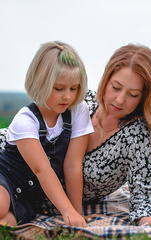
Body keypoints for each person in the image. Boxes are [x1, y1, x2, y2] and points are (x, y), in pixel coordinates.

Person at [0, 41, 94, 227]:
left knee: (10, 222)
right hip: (6, 178)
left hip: (30, 198)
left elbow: (73, 164)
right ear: (40, 83)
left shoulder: (78, 111)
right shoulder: (25, 120)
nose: (67, 96)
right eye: (59, 88)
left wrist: (76, 213)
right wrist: (66, 211)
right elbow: (41, 169)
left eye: (73, 88)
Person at [82, 43, 151, 227]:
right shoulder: (82, 102)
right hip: (15, 164)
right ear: (106, 79)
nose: (120, 100)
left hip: (32, 196)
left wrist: (146, 219)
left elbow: (146, 196)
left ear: (144, 97)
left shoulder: (137, 137)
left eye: (132, 94)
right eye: (116, 87)